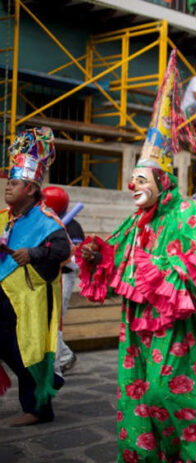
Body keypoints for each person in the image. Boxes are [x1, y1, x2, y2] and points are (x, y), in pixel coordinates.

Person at [77, 50, 196, 462]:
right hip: (137, 328)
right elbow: (116, 262)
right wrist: (98, 254)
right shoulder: (135, 221)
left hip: (179, 331)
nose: (134, 182)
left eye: (142, 176)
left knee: (167, 392)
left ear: (163, 179)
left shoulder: (187, 213)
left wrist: (162, 269)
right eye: (132, 176)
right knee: (140, 401)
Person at [0, 127, 71, 426]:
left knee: (25, 352)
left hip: (29, 300)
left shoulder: (46, 220)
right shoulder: (5, 217)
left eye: (14, 183)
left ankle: (39, 407)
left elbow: (61, 249)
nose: (7, 188)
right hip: (4, 293)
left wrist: (32, 253)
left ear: (29, 188)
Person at [43, 185, 84, 374]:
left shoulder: (72, 227)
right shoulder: (46, 222)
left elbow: (76, 261)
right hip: (45, 278)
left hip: (63, 278)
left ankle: (64, 357)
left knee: (55, 319)